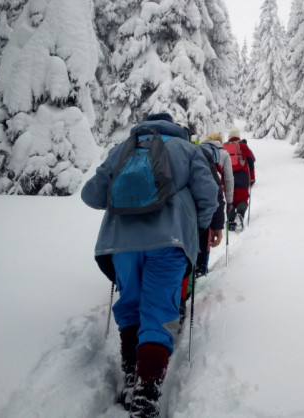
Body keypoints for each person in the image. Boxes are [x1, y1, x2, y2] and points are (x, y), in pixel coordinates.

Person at [81, 112, 219, 417]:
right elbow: (208, 195)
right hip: (168, 242)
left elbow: (91, 194)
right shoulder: (186, 149)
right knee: (162, 313)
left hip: (119, 243)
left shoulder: (123, 148)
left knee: (130, 306)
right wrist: (198, 227)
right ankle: (147, 390)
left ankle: (131, 374)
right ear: (175, 127)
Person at [195, 132, 234, 275]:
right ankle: (201, 268)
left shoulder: (196, 150)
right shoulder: (223, 153)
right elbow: (229, 180)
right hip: (213, 198)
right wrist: (229, 202)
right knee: (207, 232)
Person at [223, 127, 255, 232]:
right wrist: (252, 178)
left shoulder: (224, 147)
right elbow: (251, 160)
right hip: (242, 175)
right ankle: (240, 215)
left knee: (230, 199)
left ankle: (231, 221)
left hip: (228, 176)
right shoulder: (243, 146)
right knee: (242, 198)